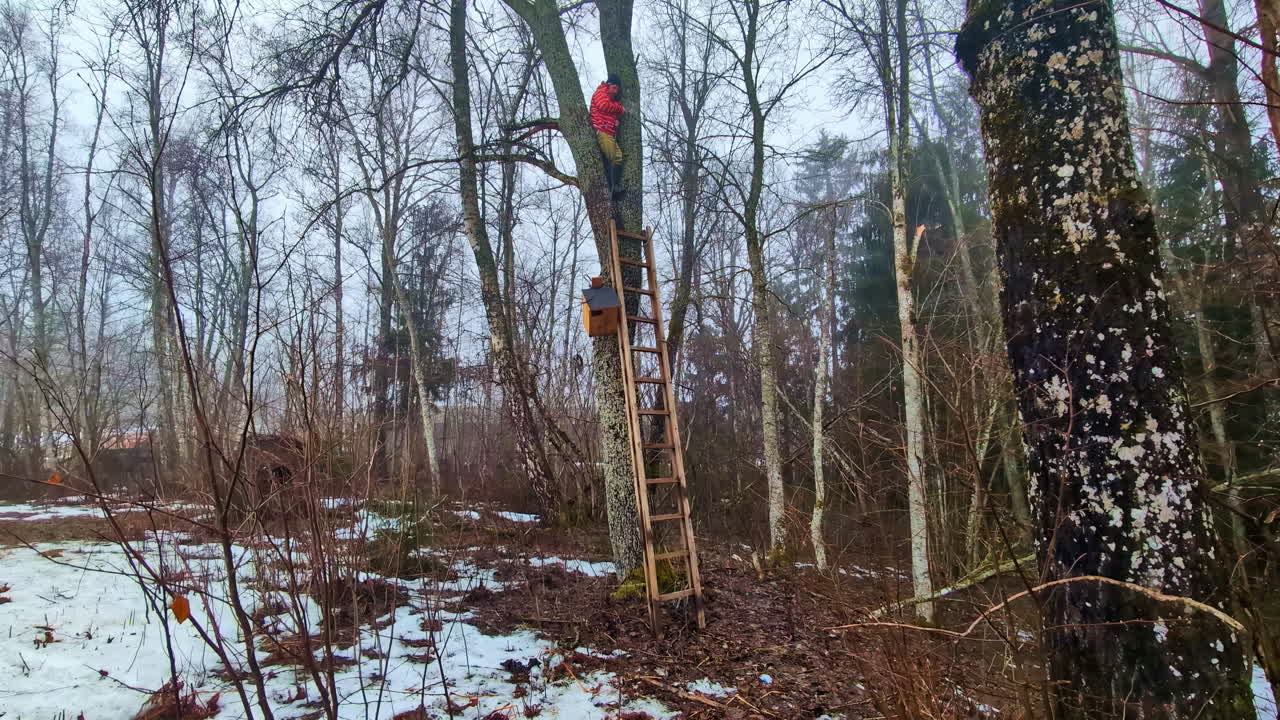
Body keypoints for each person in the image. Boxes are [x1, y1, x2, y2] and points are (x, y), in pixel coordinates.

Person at [590, 73, 625, 200]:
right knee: (614, 157)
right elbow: (603, 105)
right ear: (609, 85)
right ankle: (612, 188)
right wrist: (619, 109)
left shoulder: (609, 98)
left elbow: (608, 112)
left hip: (608, 133)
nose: (616, 91)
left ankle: (613, 187)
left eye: (617, 89)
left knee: (618, 157)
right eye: (614, 87)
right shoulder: (601, 92)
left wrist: (615, 121)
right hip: (602, 131)